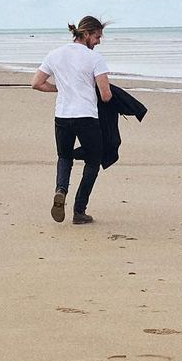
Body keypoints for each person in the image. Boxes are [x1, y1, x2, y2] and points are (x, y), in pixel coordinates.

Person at [31, 16, 112, 225]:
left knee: (64, 156)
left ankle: (61, 190)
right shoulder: (95, 59)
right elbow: (106, 95)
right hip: (86, 117)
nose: (98, 42)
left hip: (62, 116)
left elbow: (37, 83)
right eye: (96, 37)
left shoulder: (55, 54)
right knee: (94, 160)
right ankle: (79, 211)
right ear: (86, 34)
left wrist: (60, 88)